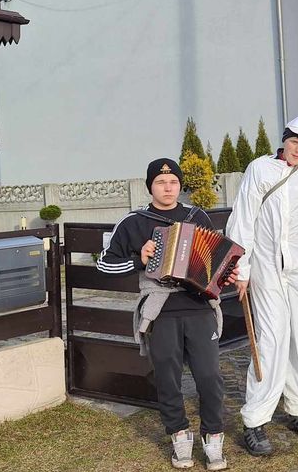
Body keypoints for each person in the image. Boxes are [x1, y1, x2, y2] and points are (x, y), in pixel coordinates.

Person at [97, 158, 236, 470]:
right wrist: (138, 259)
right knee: (167, 380)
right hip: (161, 311)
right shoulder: (133, 222)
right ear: (150, 186)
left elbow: (215, 261)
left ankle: (213, 438)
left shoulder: (195, 216)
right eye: (161, 182)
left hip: (198, 308)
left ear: (179, 185)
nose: (168, 187)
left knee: (210, 377)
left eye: (173, 181)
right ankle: (180, 437)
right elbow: (104, 264)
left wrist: (225, 275)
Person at [225, 114, 298, 456]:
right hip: (266, 269)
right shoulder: (259, 169)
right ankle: (255, 419)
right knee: (272, 338)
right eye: (294, 142)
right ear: (284, 139)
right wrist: (241, 268)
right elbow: (243, 219)